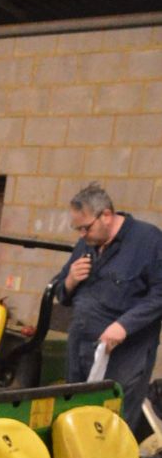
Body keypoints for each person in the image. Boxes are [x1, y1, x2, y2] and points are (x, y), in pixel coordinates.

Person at [57, 183, 162, 438]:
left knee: (112, 421)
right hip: (82, 345)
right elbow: (60, 290)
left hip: (127, 351)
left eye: (86, 227)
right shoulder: (87, 244)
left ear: (106, 215)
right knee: (75, 414)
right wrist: (70, 280)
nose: (82, 234)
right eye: (77, 229)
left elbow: (159, 295)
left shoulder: (148, 242)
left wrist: (124, 326)